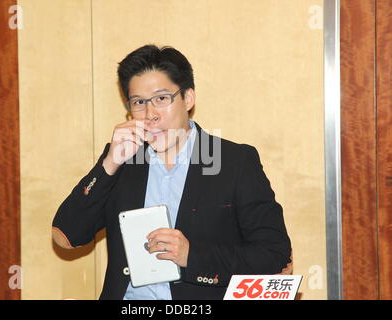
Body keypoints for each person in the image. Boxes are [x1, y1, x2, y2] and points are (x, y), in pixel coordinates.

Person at [52, 44, 292, 300]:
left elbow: (274, 255)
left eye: (161, 98)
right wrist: (109, 164)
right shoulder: (124, 159)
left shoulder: (234, 161)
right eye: (139, 102)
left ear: (188, 98)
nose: (150, 114)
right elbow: (66, 236)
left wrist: (192, 256)